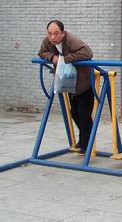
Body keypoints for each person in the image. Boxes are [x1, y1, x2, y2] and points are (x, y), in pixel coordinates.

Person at [38, 20, 94, 154]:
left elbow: (88, 53)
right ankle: (84, 141)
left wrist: (64, 59)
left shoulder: (71, 40)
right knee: (74, 113)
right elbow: (41, 52)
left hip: (83, 82)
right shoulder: (48, 41)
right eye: (50, 33)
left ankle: (86, 145)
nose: (52, 37)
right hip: (69, 81)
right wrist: (52, 57)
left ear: (63, 33)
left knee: (83, 114)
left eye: (56, 33)